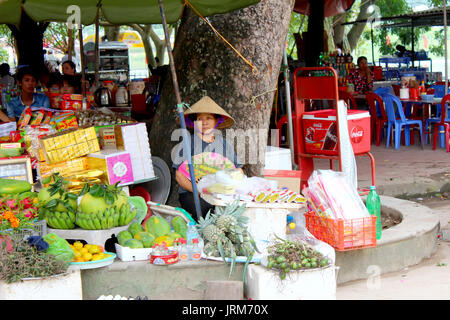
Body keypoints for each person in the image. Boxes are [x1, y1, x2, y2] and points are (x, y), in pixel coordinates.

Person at [172, 96, 243, 220]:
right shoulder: (188, 143)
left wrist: (228, 185)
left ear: (216, 121)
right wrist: (199, 192)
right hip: (192, 193)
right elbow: (179, 175)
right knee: (205, 209)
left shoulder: (224, 144)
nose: (204, 122)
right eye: (200, 119)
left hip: (220, 194)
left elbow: (238, 170)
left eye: (209, 118)